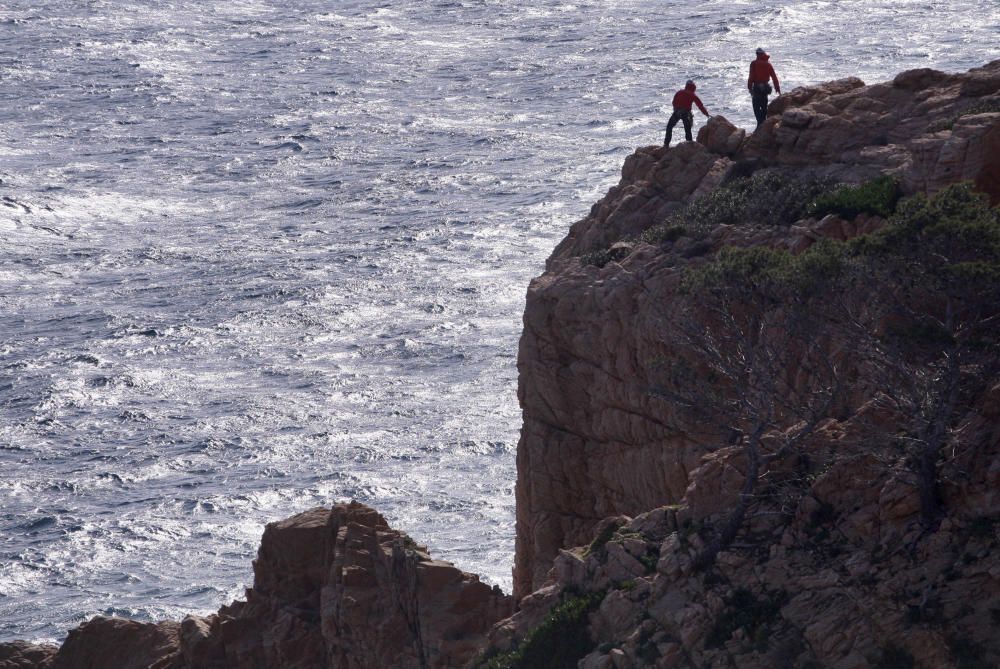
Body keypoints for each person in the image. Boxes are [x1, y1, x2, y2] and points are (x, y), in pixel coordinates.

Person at [664, 80, 710, 147]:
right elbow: (700, 106)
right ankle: (690, 144)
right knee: (687, 129)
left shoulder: (679, 92)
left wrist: (676, 109)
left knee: (669, 127)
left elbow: (674, 102)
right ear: (693, 87)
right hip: (686, 113)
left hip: (677, 112)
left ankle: (666, 144)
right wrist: (706, 114)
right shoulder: (693, 95)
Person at [748, 47, 781, 127]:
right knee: (764, 106)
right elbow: (774, 77)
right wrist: (777, 88)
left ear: (757, 54)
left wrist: (749, 87)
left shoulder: (754, 63)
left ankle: (760, 123)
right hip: (765, 88)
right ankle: (763, 123)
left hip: (756, 88)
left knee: (756, 107)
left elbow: (751, 76)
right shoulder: (768, 64)